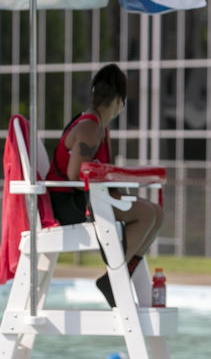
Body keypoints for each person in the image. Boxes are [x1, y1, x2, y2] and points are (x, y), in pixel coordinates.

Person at [47, 64, 164, 308]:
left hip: (83, 200)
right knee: (146, 213)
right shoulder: (90, 127)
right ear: (120, 101)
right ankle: (113, 277)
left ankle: (118, 275)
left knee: (157, 214)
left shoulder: (97, 125)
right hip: (68, 206)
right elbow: (74, 176)